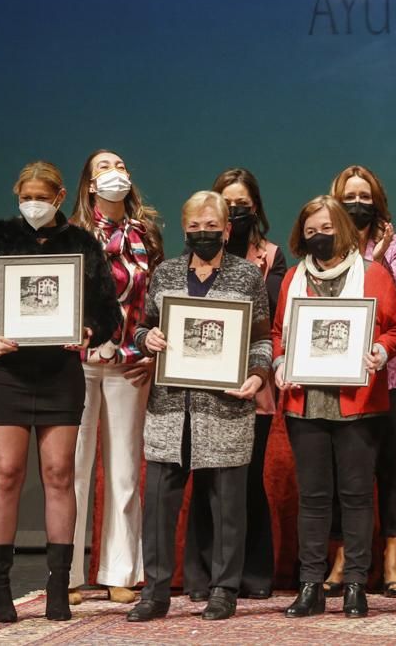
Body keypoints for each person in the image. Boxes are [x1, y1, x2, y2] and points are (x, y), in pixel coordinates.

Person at [0, 161, 121, 623]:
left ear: (60, 196)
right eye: (25, 196)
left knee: (58, 472)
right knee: (5, 473)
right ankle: (0, 587)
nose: (33, 204)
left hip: (58, 373)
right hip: (6, 371)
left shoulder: (80, 245)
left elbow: (108, 310)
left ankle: (58, 588)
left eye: (41, 197)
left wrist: (88, 330)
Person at [126, 191, 272, 622]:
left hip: (225, 408)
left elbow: (261, 338)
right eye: (195, 227)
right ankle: (154, 592)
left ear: (228, 229)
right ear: (184, 228)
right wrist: (144, 340)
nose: (204, 233)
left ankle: (224, 590)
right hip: (170, 409)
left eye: (212, 226)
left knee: (228, 507)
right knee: (158, 506)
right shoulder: (166, 274)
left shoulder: (247, 277)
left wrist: (257, 374)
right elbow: (144, 328)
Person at [273, 196, 396, 620]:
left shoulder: (373, 275)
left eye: (327, 229)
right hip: (306, 404)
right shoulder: (293, 276)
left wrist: (380, 353)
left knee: (355, 496)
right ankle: (310, 585)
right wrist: (280, 363)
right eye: (311, 231)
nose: (319, 237)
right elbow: (279, 332)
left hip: (359, 404)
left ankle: (354, 585)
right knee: (313, 499)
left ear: (345, 230)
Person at [183, 168, 287, 602]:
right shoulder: (188, 261)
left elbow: (270, 313)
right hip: (199, 382)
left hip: (251, 383)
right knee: (204, 480)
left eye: (242, 204)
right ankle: (201, 575)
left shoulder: (272, 257)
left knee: (245, 480)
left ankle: (252, 572)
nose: (235, 212)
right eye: (228, 203)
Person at [67, 149, 164, 606]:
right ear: (89, 185)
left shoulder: (145, 234)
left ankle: (120, 570)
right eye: (104, 167)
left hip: (128, 362)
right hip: (80, 361)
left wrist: (152, 346)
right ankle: (65, 572)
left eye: (121, 165)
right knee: (74, 469)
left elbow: (156, 300)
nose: (115, 173)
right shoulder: (71, 236)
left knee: (125, 469)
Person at [320, 166, 396, 599]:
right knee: (347, 471)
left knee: (392, 467)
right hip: (343, 376)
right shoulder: (326, 248)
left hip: (393, 374)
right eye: (349, 196)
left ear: (376, 202)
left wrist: (376, 254)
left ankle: (392, 556)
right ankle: (344, 556)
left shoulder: (395, 244)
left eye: (365, 196)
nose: (357, 203)